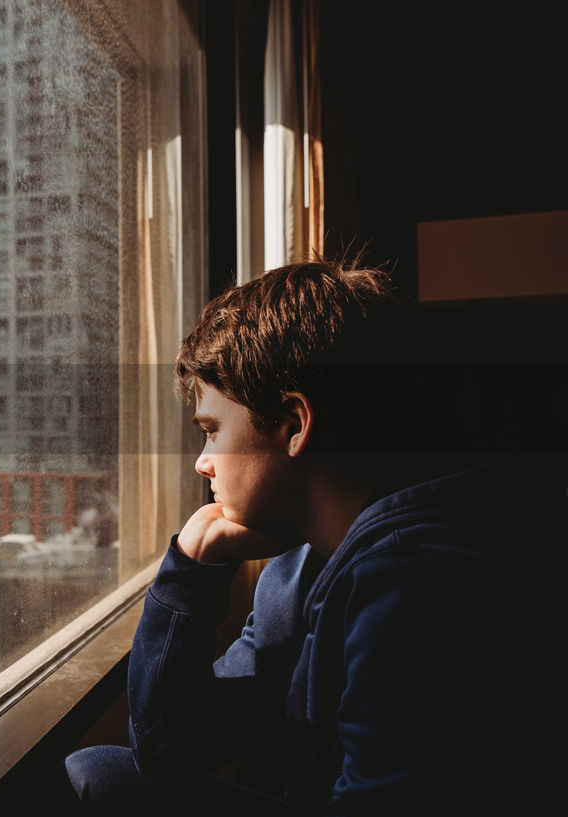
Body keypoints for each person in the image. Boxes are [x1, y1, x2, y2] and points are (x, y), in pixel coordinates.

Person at [64, 258, 562, 815]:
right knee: (97, 772)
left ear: (294, 425)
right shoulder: (304, 563)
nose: (203, 463)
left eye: (212, 431)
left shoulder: (413, 586)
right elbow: (170, 746)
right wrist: (192, 568)